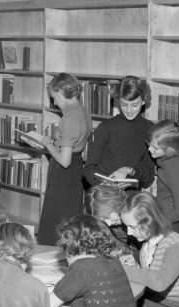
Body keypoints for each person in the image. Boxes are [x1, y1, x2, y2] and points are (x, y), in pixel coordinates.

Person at [37, 73, 92, 246]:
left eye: (55, 97)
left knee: (56, 219)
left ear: (62, 92)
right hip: (76, 170)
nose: (55, 102)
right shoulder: (83, 110)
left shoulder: (69, 117)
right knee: (70, 217)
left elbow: (64, 160)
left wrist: (47, 143)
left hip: (63, 174)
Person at [83, 75, 155, 191]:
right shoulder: (106, 128)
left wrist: (130, 171)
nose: (129, 110)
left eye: (134, 105)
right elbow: (89, 169)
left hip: (131, 197)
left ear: (143, 101)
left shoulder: (150, 129)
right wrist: (106, 183)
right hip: (104, 194)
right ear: (118, 101)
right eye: (124, 104)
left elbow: (149, 174)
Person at [147, 120, 179, 251]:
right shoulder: (164, 160)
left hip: (178, 230)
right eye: (149, 144)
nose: (149, 149)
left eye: (155, 148)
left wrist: (155, 221)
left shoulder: (175, 168)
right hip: (167, 224)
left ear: (170, 149)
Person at [84, 183, 138, 256]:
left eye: (107, 217)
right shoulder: (113, 220)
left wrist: (135, 256)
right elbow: (117, 243)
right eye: (103, 220)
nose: (108, 224)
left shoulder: (137, 210)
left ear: (116, 204)